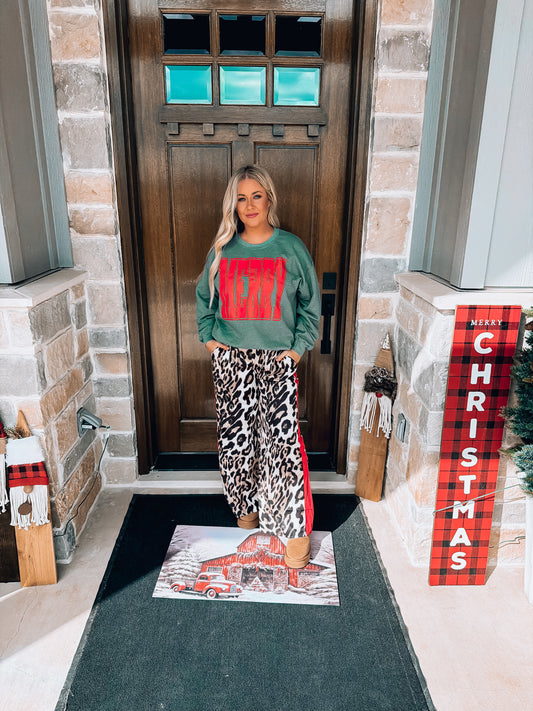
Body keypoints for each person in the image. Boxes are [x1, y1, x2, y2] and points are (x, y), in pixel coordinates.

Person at [196, 165, 321, 568]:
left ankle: (293, 530)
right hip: (231, 359)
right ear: (233, 205)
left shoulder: (291, 248)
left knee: (281, 446)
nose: (249, 205)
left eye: (256, 196)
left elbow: (311, 307)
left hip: (277, 360)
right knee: (236, 443)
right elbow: (204, 300)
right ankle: (246, 509)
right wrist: (211, 342)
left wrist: (296, 351)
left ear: (269, 199)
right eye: (241, 198)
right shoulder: (223, 250)